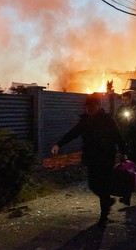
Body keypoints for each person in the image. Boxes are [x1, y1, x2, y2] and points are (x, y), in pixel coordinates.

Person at [51, 93, 126, 228]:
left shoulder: (107, 119)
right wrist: (59, 144)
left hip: (106, 158)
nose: (89, 109)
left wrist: (124, 152)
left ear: (98, 106)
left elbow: (117, 136)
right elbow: (73, 133)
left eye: (92, 106)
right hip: (91, 158)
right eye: (87, 106)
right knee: (93, 184)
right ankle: (107, 201)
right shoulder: (85, 121)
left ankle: (104, 215)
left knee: (103, 185)